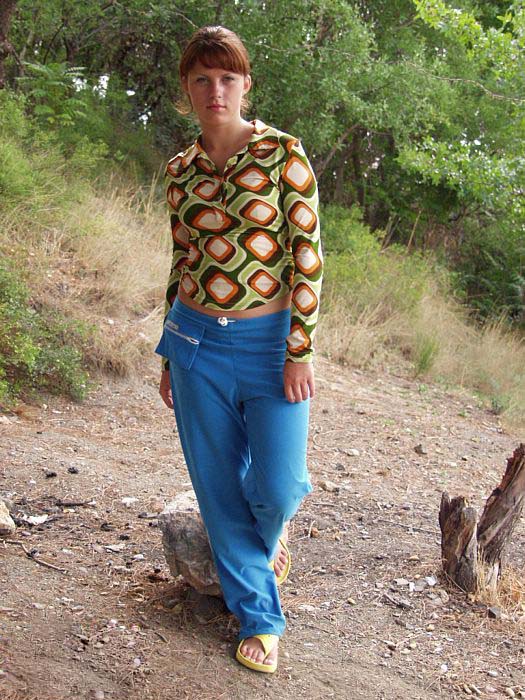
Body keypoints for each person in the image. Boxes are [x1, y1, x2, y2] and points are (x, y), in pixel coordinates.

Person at [155, 25, 322, 674]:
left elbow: (306, 260)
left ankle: (266, 541)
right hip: (194, 343)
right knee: (217, 486)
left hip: (270, 346)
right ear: (186, 89)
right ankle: (260, 616)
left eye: (227, 78)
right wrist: (167, 355)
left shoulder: (283, 154)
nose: (215, 91)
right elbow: (182, 263)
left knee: (278, 487)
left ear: (246, 84)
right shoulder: (179, 172)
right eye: (202, 79)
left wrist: (299, 350)